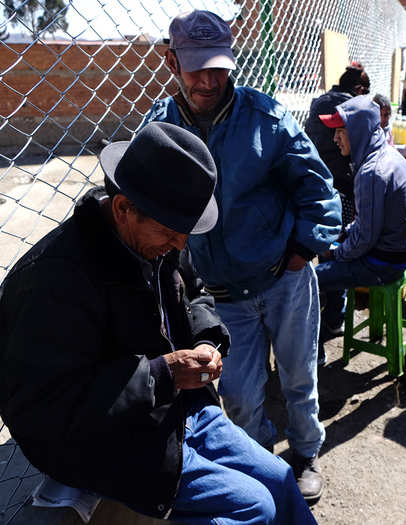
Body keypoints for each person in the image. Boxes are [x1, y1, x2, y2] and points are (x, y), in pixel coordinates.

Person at [0, 122, 317, 524]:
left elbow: (196, 292)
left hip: (180, 411)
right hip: (111, 442)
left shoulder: (155, 236)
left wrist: (206, 342)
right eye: (170, 233)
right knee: (253, 508)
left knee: (282, 480)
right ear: (122, 208)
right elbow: (45, 407)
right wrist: (161, 374)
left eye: (184, 233)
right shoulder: (53, 281)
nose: (180, 245)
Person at [144, 10, 342, 501]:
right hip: (221, 297)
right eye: (196, 68)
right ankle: (262, 467)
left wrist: (302, 251)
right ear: (171, 61)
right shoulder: (161, 128)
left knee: (299, 375)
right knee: (240, 395)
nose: (209, 80)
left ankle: (305, 454)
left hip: (284, 281)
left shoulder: (267, 118)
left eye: (219, 67)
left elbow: (318, 190)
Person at [314, 95, 406, 349]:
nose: (335, 138)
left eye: (340, 131)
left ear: (357, 131)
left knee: (309, 280)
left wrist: (338, 252)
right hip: (398, 254)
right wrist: (341, 240)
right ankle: (333, 321)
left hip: (382, 263)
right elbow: (365, 228)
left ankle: (314, 346)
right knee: (331, 252)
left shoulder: (370, 172)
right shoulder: (389, 155)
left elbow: (365, 239)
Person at [306, 65, 371, 226]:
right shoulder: (349, 106)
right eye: (366, 93)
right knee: (342, 229)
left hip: (316, 175)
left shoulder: (321, 100)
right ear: (358, 89)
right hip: (340, 179)